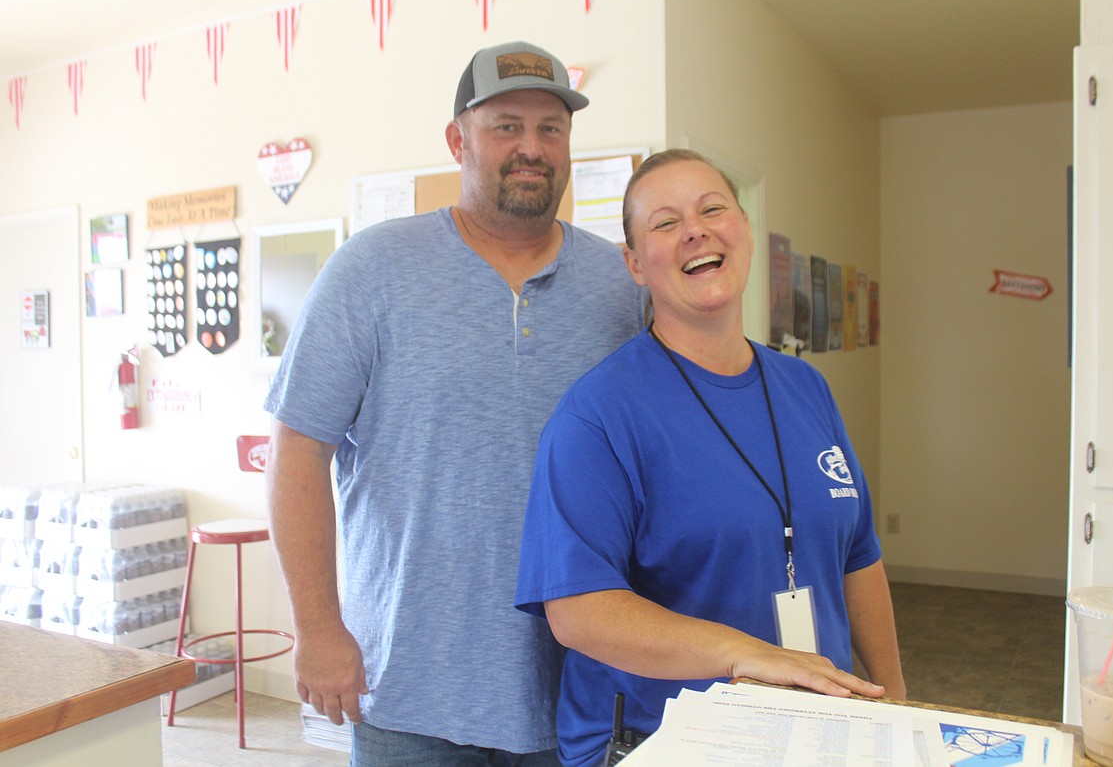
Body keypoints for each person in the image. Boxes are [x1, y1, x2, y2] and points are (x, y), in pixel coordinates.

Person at [263, 40, 646, 766]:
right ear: (458, 139)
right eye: (506, 125)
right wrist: (318, 627)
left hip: (579, 689)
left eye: (551, 128)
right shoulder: (371, 271)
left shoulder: (620, 289)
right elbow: (297, 450)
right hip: (406, 689)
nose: (531, 148)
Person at [515, 149, 906, 767]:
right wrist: (749, 654)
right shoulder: (599, 415)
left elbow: (858, 557)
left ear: (744, 228)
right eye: (665, 223)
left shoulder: (806, 389)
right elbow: (579, 612)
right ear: (635, 264)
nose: (695, 229)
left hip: (809, 736)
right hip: (661, 743)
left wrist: (895, 707)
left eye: (712, 208)